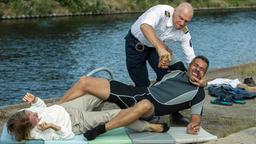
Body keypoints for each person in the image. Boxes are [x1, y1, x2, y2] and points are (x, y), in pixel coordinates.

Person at [59, 55, 209, 140]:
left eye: (202, 69)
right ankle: (54, 110)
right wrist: (162, 51)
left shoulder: (198, 93)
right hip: (134, 92)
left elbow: (196, 119)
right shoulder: (179, 69)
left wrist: (192, 126)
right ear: (190, 65)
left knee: (145, 103)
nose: (197, 70)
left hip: (149, 110)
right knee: (84, 81)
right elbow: (164, 48)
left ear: (204, 73)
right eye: (195, 65)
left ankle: (101, 129)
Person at [125, 2, 196, 124]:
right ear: (174, 11)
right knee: (142, 84)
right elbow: (145, 26)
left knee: (172, 77)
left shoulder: (184, 32)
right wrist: (160, 48)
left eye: (186, 21)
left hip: (155, 47)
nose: (182, 23)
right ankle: (145, 114)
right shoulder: (161, 11)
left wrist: (197, 77)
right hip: (136, 46)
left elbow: (191, 57)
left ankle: (174, 113)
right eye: (180, 18)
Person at [7, 93, 168, 141]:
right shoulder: (39, 133)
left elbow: (41, 107)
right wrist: (53, 127)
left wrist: (35, 100)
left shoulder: (26, 114)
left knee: (99, 93)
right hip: (77, 122)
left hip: (67, 108)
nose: (35, 113)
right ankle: (148, 126)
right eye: (34, 116)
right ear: (30, 126)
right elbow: (68, 136)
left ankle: (97, 113)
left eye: (30, 111)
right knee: (116, 115)